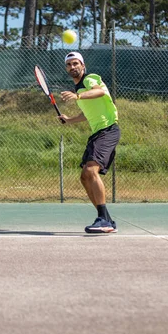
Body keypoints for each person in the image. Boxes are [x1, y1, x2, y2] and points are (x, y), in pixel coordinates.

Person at [59, 52, 120, 233]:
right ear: (66, 69)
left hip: (108, 129)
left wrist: (78, 97)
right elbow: (87, 114)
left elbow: (100, 91)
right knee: (85, 177)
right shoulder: (79, 90)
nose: (72, 67)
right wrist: (69, 120)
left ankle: (103, 220)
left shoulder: (89, 80)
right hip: (97, 133)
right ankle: (107, 219)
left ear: (83, 66)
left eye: (75, 63)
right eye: (69, 65)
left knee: (91, 170)